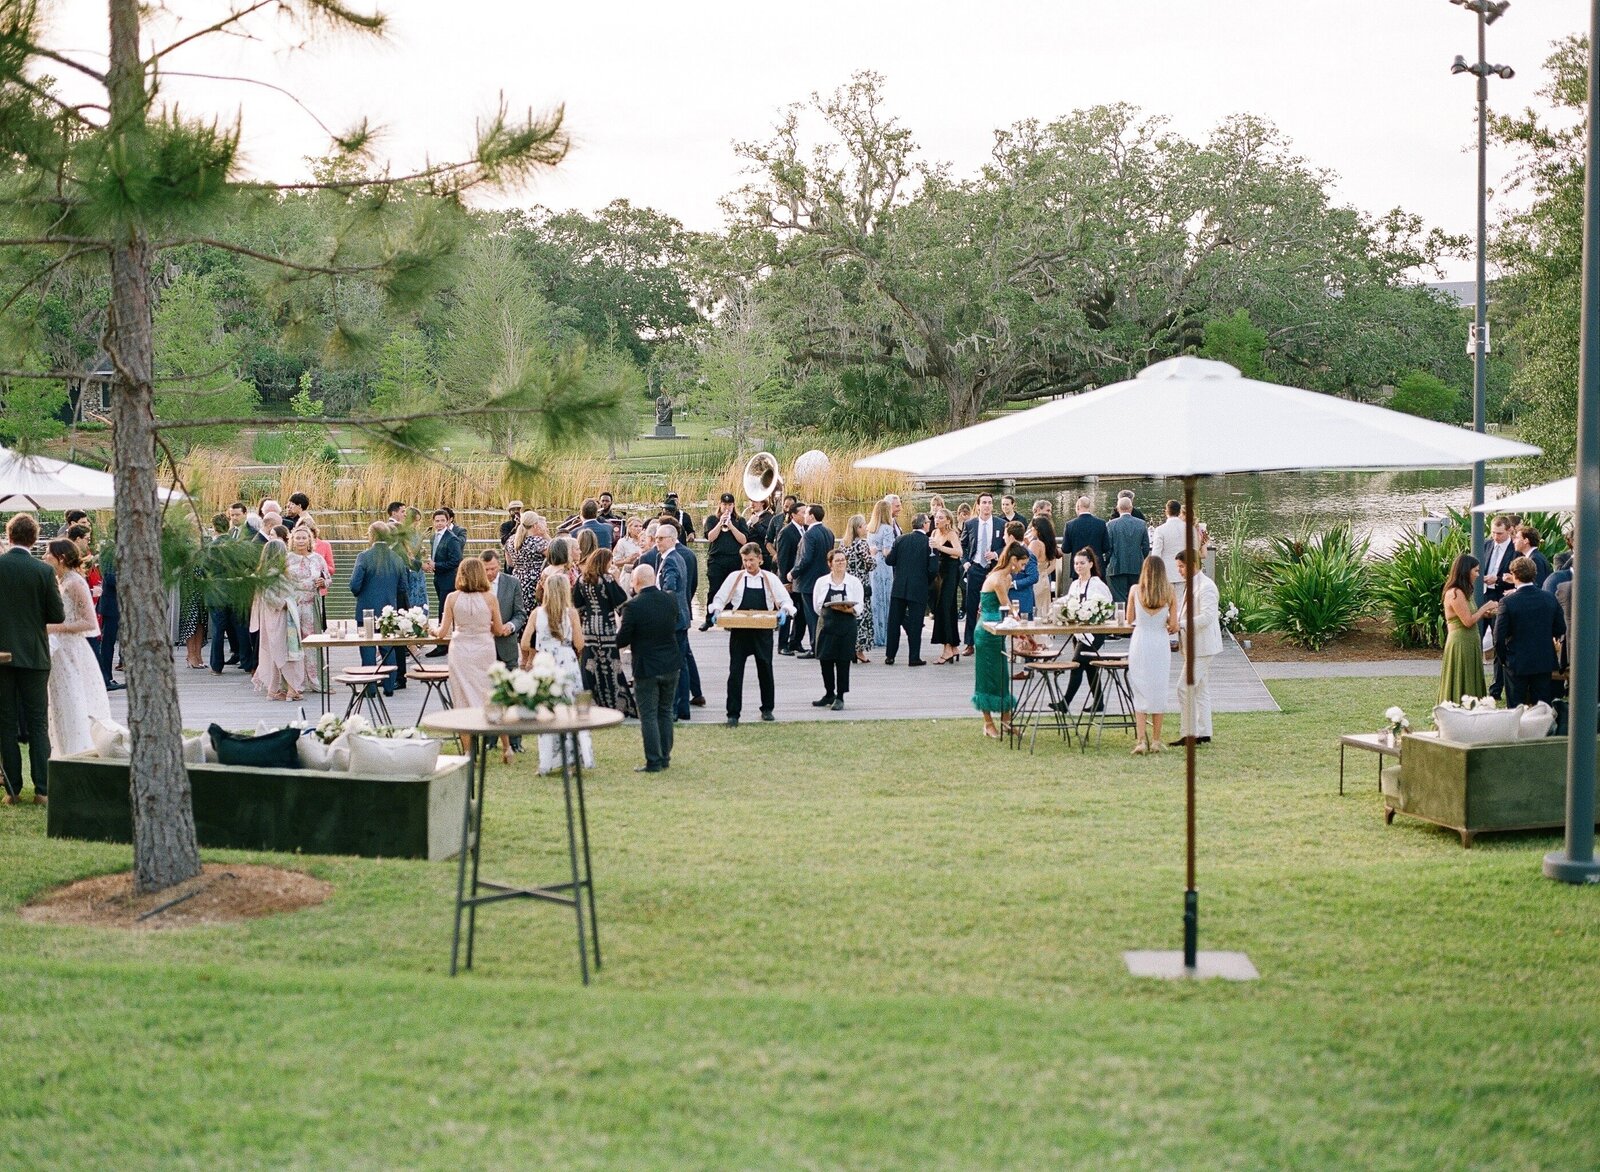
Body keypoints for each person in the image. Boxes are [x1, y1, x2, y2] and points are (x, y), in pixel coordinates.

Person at [708, 541, 794, 726]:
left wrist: (784, 612)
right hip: (740, 631)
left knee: (765, 669)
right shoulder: (735, 577)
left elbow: (786, 601)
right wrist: (715, 611)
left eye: (752, 560)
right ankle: (733, 714)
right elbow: (720, 598)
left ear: (761, 559)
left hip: (763, 631)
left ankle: (767, 709)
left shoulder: (770, 578)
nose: (748, 564)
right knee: (735, 672)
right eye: (745, 560)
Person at [40, 537, 110, 763]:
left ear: (60, 557)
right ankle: (63, 754)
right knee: (61, 703)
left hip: (71, 651)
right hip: (60, 651)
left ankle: (77, 753)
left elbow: (90, 623)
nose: (44, 557)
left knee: (73, 701)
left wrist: (52, 628)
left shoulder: (75, 583)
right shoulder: (61, 582)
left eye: (48, 553)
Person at [439, 557, 511, 762]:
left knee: (462, 698)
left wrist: (431, 629)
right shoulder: (490, 598)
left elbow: (442, 632)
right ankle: (507, 748)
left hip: (460, 650)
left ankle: (470, 753)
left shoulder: (452, 598)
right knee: (491, 694)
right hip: (484, 649)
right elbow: (498, 629)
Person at [616, 565, 682, 772]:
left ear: (635, 583)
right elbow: (677, 622)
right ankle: (665, 756)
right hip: (671, 662)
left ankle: (653, 760)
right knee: (665, 710)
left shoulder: (632, 606)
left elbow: (622, 640)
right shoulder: (670, 599)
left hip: (646, 665)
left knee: (648, 714)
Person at [972, 542, 1030, 739]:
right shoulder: (997, 579)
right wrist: (1025, 633)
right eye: (1022, 564)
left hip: (999, 630)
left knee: (1003, 675)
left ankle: (1006, 720)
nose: (1023, 569)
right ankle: (988, 723)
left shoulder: (1007, 577)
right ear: (1013, 560)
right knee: (987, 676)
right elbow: (1007, 607)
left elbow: (1010, 611)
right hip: (987, 630)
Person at [1494, 556, 1566, 708]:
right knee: (1542, 707)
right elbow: (1561, 628)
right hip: (1543, 660)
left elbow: (1498, 637)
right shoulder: (1549, 598)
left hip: (1516, 661)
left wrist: (1504, 660)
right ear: (1534, 574)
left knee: (1515, 707)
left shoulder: (1507, 602)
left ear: (1514, 575)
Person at [1052, 547, 1115, 716]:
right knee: (1089, 666)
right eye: (1076, 563)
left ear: (1091, 564)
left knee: (1077, 663)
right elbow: (1068, 600)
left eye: (1082, 563)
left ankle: (1065, 703)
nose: (1078, 566)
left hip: (1093, 633)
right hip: (1078, 632)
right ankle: (1099, 702)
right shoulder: (1075, 584)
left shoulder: (1097, 585)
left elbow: (1107, 607)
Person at [1125, 555, 1178, 755]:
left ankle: (1140, 740)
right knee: (1159, 688)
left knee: (1140, 688)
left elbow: (1130, 619)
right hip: (1159, 643)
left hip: (1140, 642)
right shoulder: (1170, 592)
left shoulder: (1135, 591)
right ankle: (1156, 740)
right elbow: (1173, 626)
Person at [1172, 549, 1223, 747]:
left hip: (1203, 646)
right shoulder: (1191, 585)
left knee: (1183, 688)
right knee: (1201, 688)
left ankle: (1189, 733)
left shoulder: (1206, 586)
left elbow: (1208, 617)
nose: (1179, 571)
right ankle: (1204, 732)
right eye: (1178, 567)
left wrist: (1181, 624)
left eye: (1182, 567)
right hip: (1194, 645)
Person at [349, 521, 406, 699]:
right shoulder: (397, 558)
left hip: (366, 610)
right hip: (388, 611)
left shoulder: (364, 557)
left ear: (371, 535)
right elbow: (403, 586)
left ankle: (370, 688)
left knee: (367, 649)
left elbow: (354, 585)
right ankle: (389, 687)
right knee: (387, 649)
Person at [575, 548, 634, 716]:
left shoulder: (581, 580)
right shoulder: (607, 579)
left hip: (588, 629)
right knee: (611, 665)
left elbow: (577, 605)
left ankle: (591, 701)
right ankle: (615, 702)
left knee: (590, 665)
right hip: (606, 628)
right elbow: (621, 603)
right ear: (604, 562)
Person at [482, 548, 528, 755]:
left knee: (512, 694)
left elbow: (520, 613)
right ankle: (490, 739)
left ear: (498, 565)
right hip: (485, 647)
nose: (489, 573)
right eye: (486, 570)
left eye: (492, 569)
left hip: (507, 645)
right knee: (489, 695)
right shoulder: (477, 585)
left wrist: (510, 626)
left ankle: (516, 740)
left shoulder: (512, 582)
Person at [251, 538, 307, 701]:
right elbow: (271, 597)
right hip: (281, 617)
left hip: (270, 618)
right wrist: (287, 603)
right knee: (287, 651)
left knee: (275, 651)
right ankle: (291, 689)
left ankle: (274, 688)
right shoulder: (275, 574)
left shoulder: (264, 573)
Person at [811, 547, 866, 711]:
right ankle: (829, 693)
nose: (841, 563)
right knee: (825, 660)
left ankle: (840, 696)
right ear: (830, 564)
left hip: (846, 625)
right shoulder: (821, 582)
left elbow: (860, 605)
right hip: (826, 624)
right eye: (837, 560)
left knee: (843, 661)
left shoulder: (854, 582)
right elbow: (816, 606)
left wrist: (848, 609)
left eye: (843, 560)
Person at [1440, 553, 1497, 705]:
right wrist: (1485, 606)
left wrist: (1486, 613)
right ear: (1466, 571)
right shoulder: (1455, 593)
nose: (1478, 575)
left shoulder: (1466, 592)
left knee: (1472, 675)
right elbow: (1467, 621)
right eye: (1476, 571)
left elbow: (1472, 615)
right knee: (1461, 675)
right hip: (1461, 642)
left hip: (1471, 640)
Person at [886, 513, 935, 667]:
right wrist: (927, 581)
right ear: (924, 525)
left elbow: (889, 560)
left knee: (893, 622)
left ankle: (890, 655)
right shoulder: (929, 543)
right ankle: (913, 657)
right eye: (928, 521)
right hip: (918, 587)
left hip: (899, 586)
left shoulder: (900, 539)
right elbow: (933, 569)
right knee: (916, 623)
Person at [286, 526, 331, 692]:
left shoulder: (317, 559)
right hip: (292, 605)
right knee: (293, 642)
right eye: (297, 538)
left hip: (311, 605)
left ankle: (315, 680)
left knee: (312, 643)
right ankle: (295, 682)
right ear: (292, 540)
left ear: (309, 540)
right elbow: (279, 581)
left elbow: (327, 578)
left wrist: (323, 582)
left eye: (304, 538)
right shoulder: (287, 559)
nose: (301, 541)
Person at [960, 492, 1006, 654]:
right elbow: (963, 545)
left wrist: (996, 554)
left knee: (995, 604)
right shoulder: (970, 524)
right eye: (984, 503)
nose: (987, 505)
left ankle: (995, 641)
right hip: (975, 568)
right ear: (978, 505)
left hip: (993, 570)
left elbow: (1007, 546)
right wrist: (966, 562)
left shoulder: (1001, 524)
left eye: (990, 503)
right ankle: (970, 643)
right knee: (971, 606)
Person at [790, 504, 835, 657]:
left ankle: (815, 647)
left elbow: (805, 558)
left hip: (808, 582)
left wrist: (793, 573)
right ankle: (823, 645)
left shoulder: (809, 535)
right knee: (822, 614)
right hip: (824, 578)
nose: (804, 516)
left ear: (812, 516)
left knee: (812, 617)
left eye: (806, 513)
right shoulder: (828, 532)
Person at [1480, 513, 1516, 700]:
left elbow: (1517, 575)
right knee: (1476, 638)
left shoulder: (1514, 549)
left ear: (1509, 531)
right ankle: (1475, 685)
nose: (1496, 537)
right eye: (1493, 532)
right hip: (1484, 595)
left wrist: (1499, 578)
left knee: (1498, 641)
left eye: (1500, 533)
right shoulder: (1486, 545)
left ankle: (1496, 689)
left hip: (1502, 596)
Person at [701, 492, 749, 631]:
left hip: (734, 559)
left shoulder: (740, 521)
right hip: (716, 560)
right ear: (720, 505)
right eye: (724, 504)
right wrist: (720, 523)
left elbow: (744, 540)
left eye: (729, 505)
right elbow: (710, 537)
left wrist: (731, 526)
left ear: (733, 505)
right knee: (714, 590)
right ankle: (709, 619)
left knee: (732, 591)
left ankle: (728, 620)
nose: (727, 507)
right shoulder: (712, 519)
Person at [925, 508, 963, 664]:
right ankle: (953, 645)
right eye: (936, 517)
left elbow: (959, 552)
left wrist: (940, 547)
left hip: (950, 572)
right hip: (938, 573)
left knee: (945, 607)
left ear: (948, 520)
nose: (937, 520)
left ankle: (947, 648)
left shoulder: (951, 534)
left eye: (941, 517)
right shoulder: (934, 533)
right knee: (943, 607)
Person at [423, 509, 464, 652]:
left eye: (442, 521)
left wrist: (437, 565)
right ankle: (446, 641)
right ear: (433, 522)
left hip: (449, 580)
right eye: (437, 521)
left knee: (444, 611)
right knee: (443, 609)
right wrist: (431, 564)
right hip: (438, 578)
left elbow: (456, 561)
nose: (439, 523)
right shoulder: (434, 537)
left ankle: (442, 645)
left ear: (448, 522)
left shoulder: (452, 538)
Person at [841, 513, 876, 664]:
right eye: (863, 526)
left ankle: (848, 648)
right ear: (858, 528)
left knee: (850, 615)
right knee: (862, 615)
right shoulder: (861, 544)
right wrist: (873, 554)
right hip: (861, 583)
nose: (866, 528)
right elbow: (871, 564)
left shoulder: (844, 544)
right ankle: (859, 650)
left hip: (848, 582)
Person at [774, 503, 808, 654]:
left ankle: (795, 641)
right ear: (793, 515)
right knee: (787, 611)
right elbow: (782, 558)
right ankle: (782, 645)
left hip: (802, 580)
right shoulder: (786, 532)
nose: (805, 515)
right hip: (789, 579)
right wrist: (785, 581)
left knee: (801, 612)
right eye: (803, 512)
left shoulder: (806, 530)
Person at [1105, 494, 1150, 605]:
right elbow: (1145, 547)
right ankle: (1135, 619)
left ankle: (1123, 619)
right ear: (1131, 508)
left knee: (1119, 600)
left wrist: (1107, 562)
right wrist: (1141, 559)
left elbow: (1108, 548)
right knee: (1137, 598)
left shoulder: (1110, 525)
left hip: (1116, 568)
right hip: (1136, 567)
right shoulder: (1141, 524)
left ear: (1118, 508)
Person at [1059, 496, 1110, 595]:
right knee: (1099, 595)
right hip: (1097, 567)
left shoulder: (1070, 525)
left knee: (1078, 596)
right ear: (1090, 507)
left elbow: (1066, 549)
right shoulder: (1101, 523)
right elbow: (1106, 547)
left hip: (1078, 568)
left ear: (1077, 507)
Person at [866, 499, 897, 647]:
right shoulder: (887, 529)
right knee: (885, 598)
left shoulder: (870, 528)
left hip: (873, 563)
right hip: (884, 565)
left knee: (875, 599)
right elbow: (887, 551)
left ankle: (874, 633)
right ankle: (884, 635)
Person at [507, 511, 549, 616]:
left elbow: (510, 563)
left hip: (517, 579)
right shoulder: (537, 541)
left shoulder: (511, 540)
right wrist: (545, 535)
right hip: (534, 582)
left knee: (520, 612)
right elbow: (558, 554)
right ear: (535, 525)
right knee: (536, 613)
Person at [1149, 500, 1187, 593]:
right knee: (1181, 603)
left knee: (1166, 603)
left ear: (1166, 511)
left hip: (1166, 573)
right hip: (1184, 571)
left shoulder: (1160, 530)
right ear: (1179, 512)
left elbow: (1156, 554)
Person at [1004, 520, 1040, 619]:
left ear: (1011, 537)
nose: (1003, 538)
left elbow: (1034, 577)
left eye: (1005, 535)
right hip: (1008, 601)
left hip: (1022, 602)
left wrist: (1013, 584)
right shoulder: (1007, 553)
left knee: (1025, 633)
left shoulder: (1028, 554)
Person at [1027, 515, 1061, 618]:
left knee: (1036, 608)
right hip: (1044, 579)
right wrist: (1044, 573)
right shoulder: (1048, 543)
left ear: (1037, 529)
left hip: (1035, 580)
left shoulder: (1036, 543)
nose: (1030, 530)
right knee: (1043, 608)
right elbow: (1053, 565)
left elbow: (1028, 562)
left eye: (1032, 527)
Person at [1513, 525, 1551, 589]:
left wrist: (1515, 591)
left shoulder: (1534, 559)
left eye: (1517, 538)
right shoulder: (1535, 556)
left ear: (1526, 541)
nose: (1514, 541)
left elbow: (1537, 585)